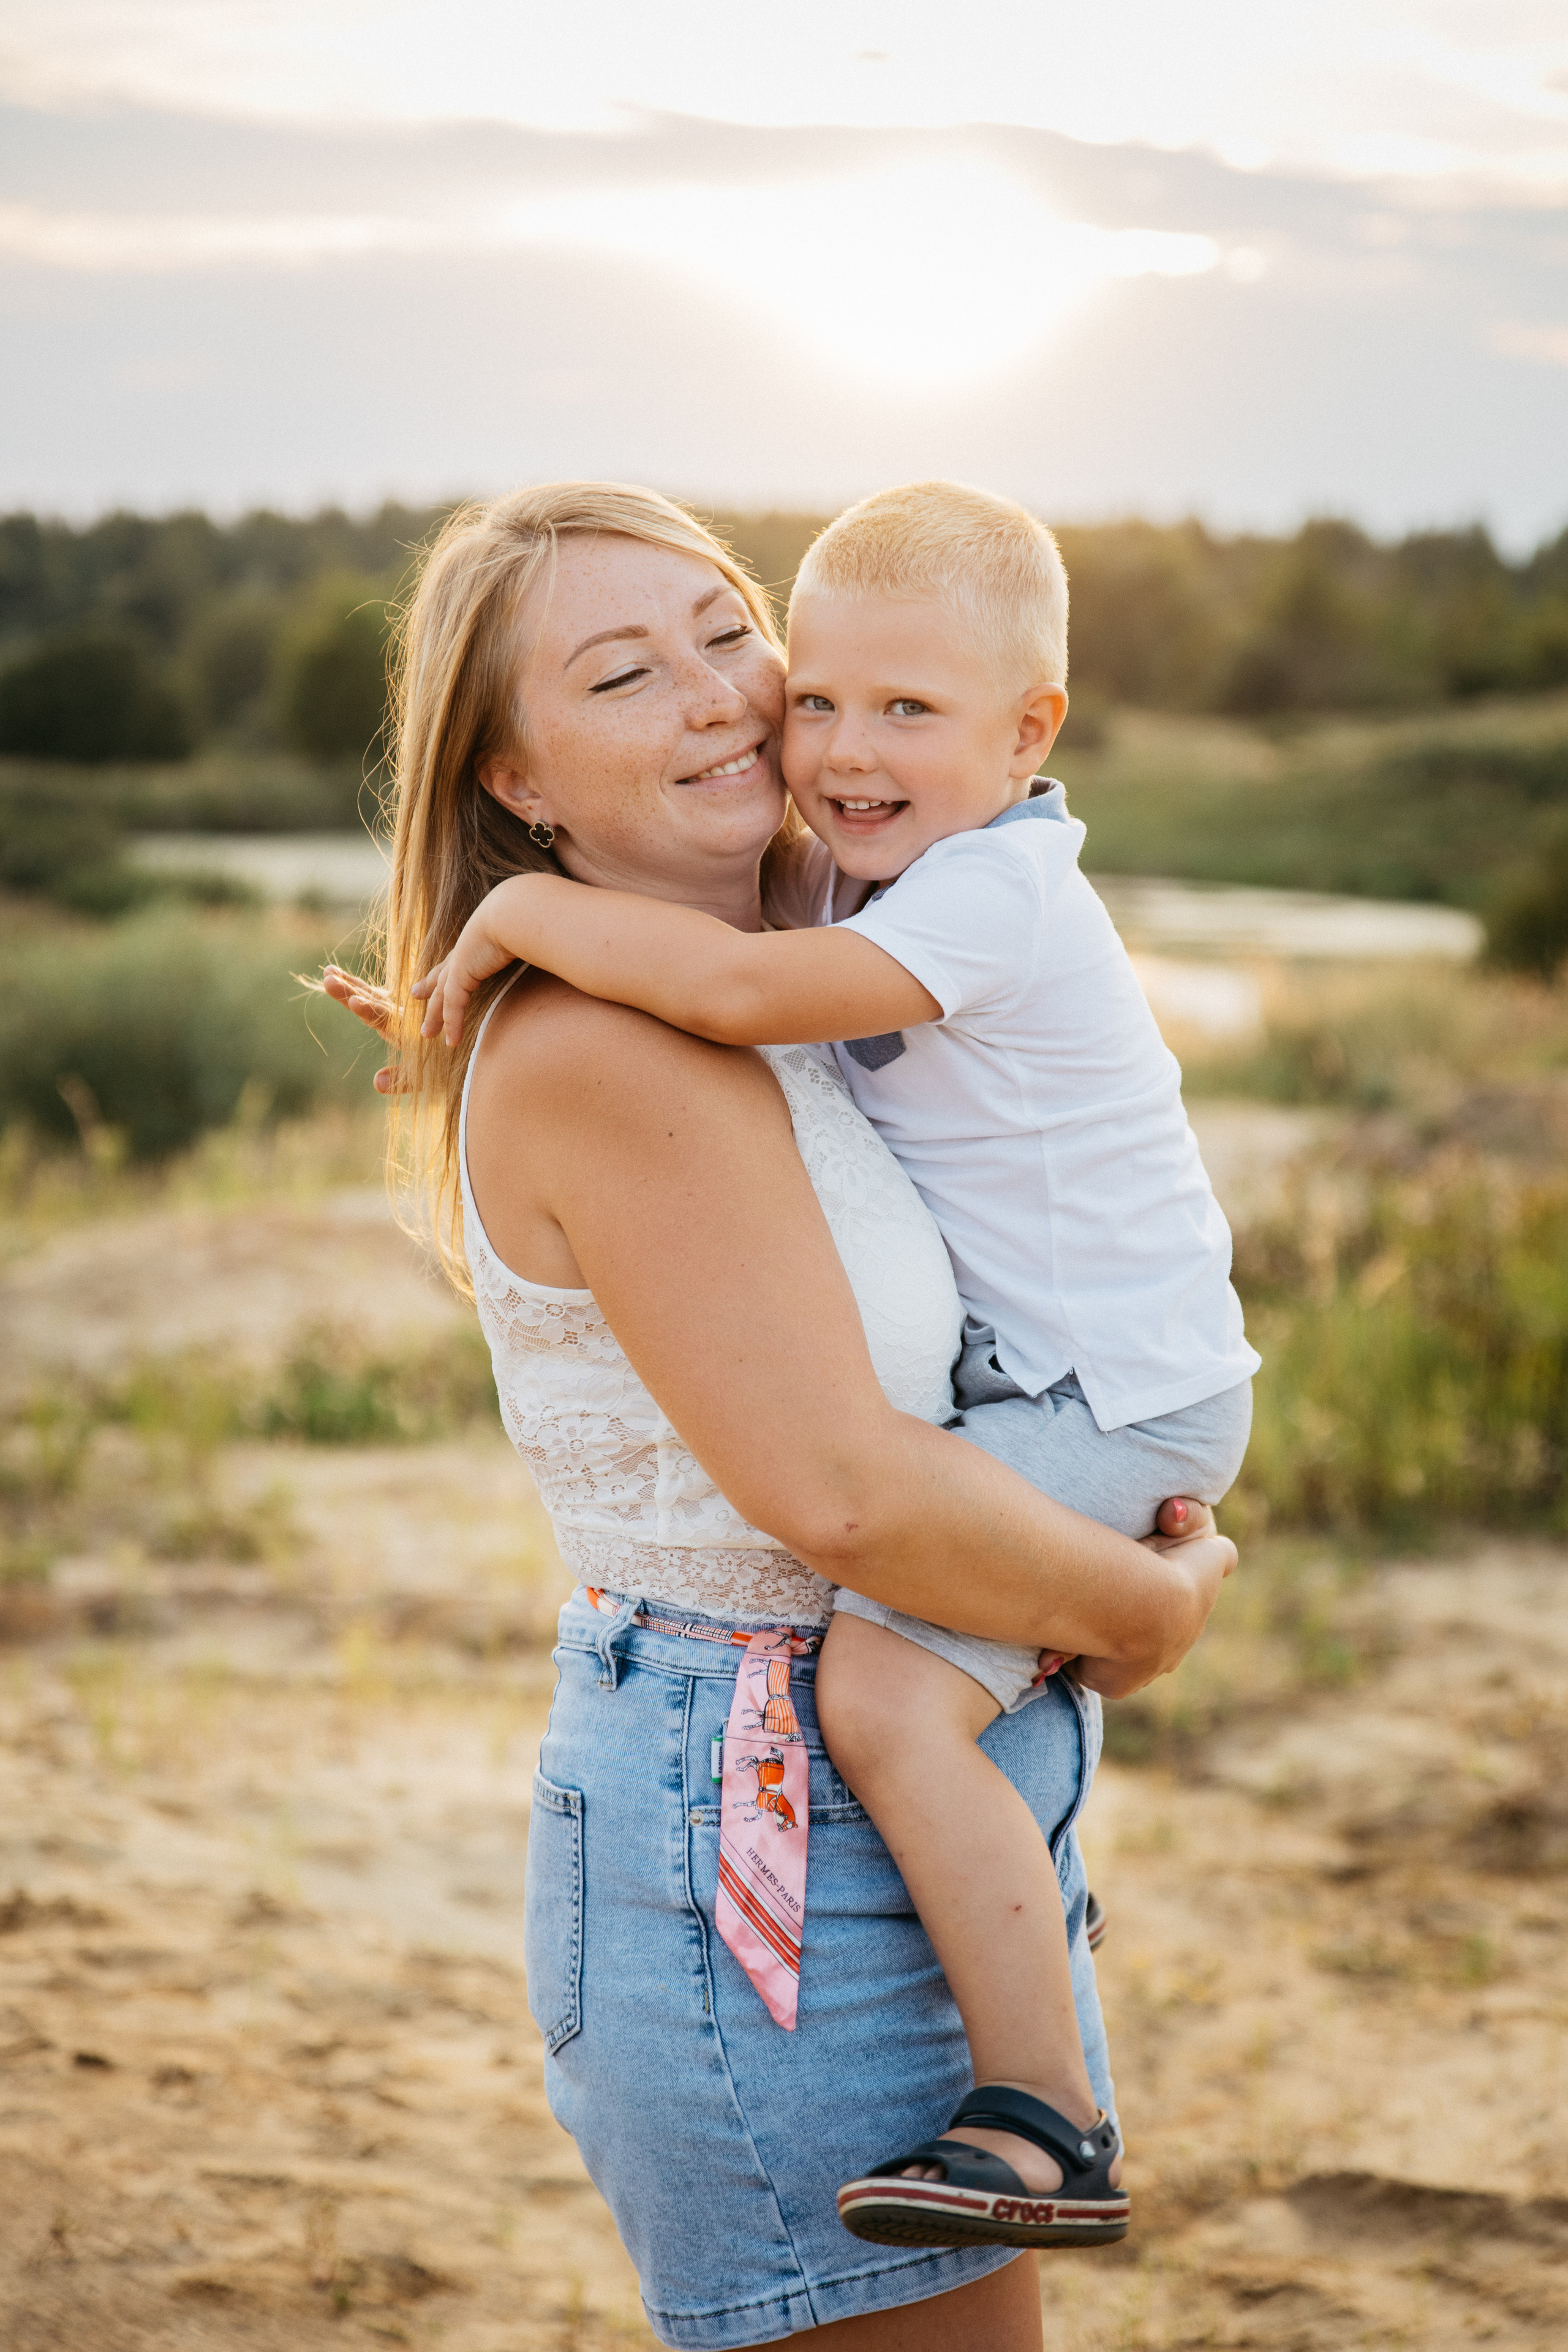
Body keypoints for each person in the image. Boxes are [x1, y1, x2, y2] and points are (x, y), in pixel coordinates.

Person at [323, 479, 1236, 2351]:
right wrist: (1138, 1611)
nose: (727, 699)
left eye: (733, 634)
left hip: (882, 1787)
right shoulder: (619, 1040)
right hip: (763, 1822)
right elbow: (843, 1493)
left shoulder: (838, 952)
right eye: (625, 675)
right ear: (518, 780)